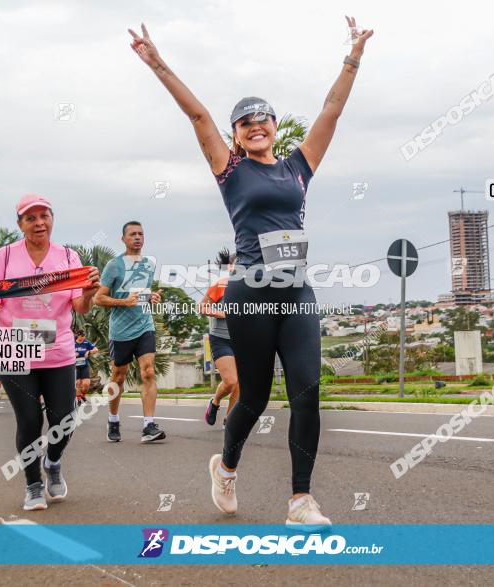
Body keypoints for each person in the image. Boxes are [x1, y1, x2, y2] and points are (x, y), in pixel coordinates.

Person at [129, 16, 372, 526]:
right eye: (244, 120)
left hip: (296, 292)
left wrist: (352, 56)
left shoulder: (296, 167)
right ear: (236, 136)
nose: (255, 122)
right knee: (255, 397)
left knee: (307, 391)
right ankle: (227, 467)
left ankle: (300, 501)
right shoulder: (232, 170)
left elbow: (332, 109)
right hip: (251, 293)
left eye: (263, 116)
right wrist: (157, 63)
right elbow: (197, 116)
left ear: (275, 127)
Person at [0, 193, 100, 510]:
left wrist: (88, 293)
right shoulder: (4, 257)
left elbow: (80, 306)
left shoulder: (68, 258)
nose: (38, 223)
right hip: (14, 352)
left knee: (65, 419)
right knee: (29, 420)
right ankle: (33, 485)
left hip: (57, 351)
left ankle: (53, 462)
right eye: (30, 218)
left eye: (44, 216)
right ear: (20, 224)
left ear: (52, 220)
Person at [93, 221, 164, 444]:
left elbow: (140, 296)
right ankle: (113, 419)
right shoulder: (114, 266)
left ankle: (148, 425)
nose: (137, 237)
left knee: (148, 372)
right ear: (123, 239)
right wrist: (123, 302)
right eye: (132, 234)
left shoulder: (148, 265)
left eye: (141, 234)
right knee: (118, 376)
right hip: (121, 331)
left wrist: (150, 298)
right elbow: (98, 298)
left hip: (145, 326)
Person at [197, 248, 240, 426]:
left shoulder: (254, 289)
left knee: (240, 386)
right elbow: (202, 307)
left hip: (243, 340)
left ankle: (229, 422)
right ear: (230, 266)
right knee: (231, 381)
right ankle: (214, 402)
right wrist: (220, 313)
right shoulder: (221, 285)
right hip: (221, 338)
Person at [73, 330, 98, 405]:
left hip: (84, 366)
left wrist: (89, 351)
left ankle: (82, 395)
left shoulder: (86, 343)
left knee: (86, 384)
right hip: (75, 367)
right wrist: (73, 354)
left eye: (84, 336)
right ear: (78, 335)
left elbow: (96, 349)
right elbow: (65, 352)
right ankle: (79, 399)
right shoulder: (72, 343)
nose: (83, 337)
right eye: (82, 336)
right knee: (78, 383)